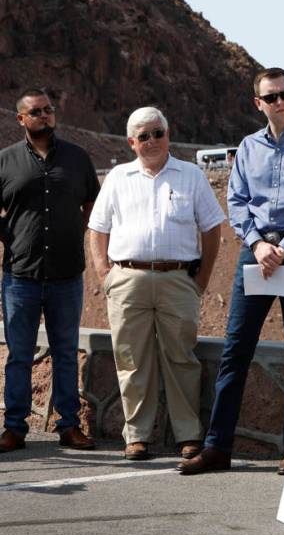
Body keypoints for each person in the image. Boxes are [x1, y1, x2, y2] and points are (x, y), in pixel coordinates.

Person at [179, 68, 284, 476]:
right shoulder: (247, 147)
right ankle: (217, 447)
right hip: (256, 254)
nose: (279, 102)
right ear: (258, 103)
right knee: (236, 349)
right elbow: (237, 199)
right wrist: (259, 244)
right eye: (272, 97)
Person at [88, 107, 224, 461]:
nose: (151, 141)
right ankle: (137, 436)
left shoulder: (191, 175)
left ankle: (188, 435)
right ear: (132, 142)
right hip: (127, 280)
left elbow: (211, 228)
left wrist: (202, 279)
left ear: (168, 133)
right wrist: (105, 274)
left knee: (181, 357)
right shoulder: (118, 177)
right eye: (143, 136)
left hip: (177, 279)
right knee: (132, 359)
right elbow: (97, 228)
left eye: (157, 133)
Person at [0, 88, 100, 453]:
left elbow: (93, 201)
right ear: (21, 119)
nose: (44, 115)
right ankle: (14, 428)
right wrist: (8, 236)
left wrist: (77, 229)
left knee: (65, 351)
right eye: (36, 111)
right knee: (20, 355)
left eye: (48, 109)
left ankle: (69, 426)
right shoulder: (5, 161)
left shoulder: (77, 158)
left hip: (66, 275)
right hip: (19, 276)